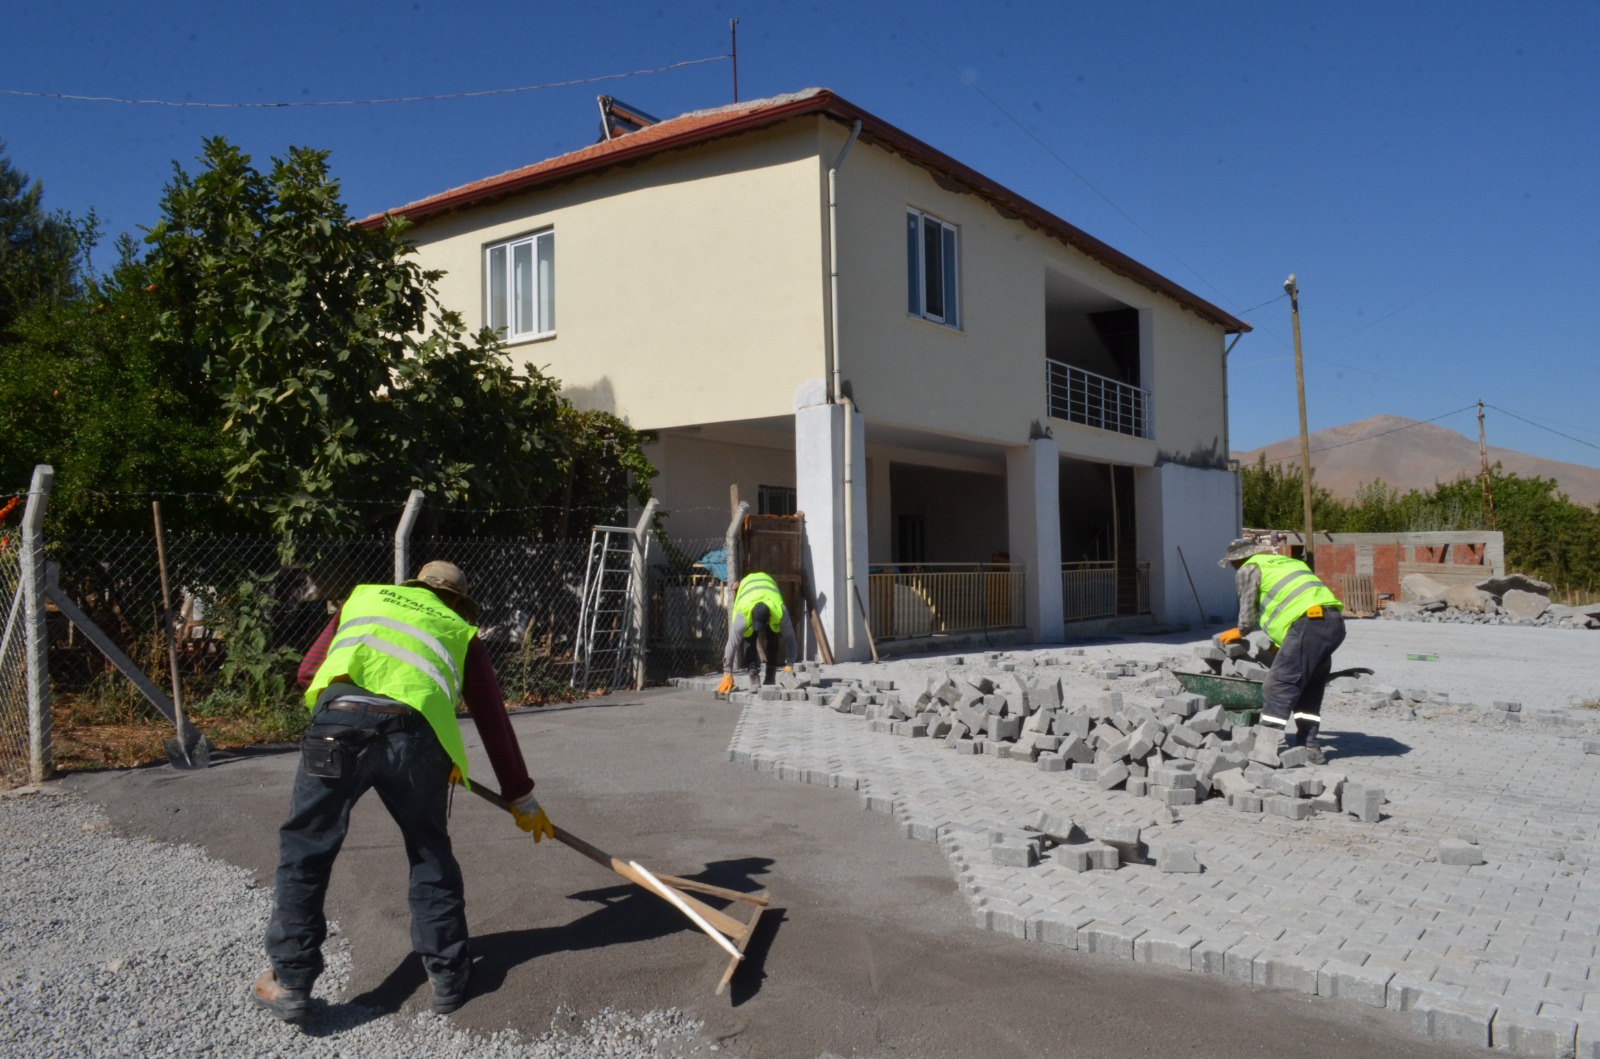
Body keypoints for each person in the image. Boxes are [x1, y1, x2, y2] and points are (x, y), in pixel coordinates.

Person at [251, 561, 553, 1025]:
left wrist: (354, 710)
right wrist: (520, 796)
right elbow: (492, 717)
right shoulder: (458, 628)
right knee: (429, 851)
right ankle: (449, 977)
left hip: (338, 729)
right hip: (416, 740)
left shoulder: (361, 599)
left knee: (306, 850)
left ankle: (291, 980)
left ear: (412, 587)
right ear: (455, 601)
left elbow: (309, 672)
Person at [1216, 538, 1346, 760]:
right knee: (1310, 686)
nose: (1235, 569)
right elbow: (1294, 600)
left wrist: (1241, 631)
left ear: (1238, 560)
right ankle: (1309, 746)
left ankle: (1266, 750)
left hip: (1308, 625)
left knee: (1277, 686)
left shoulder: (1249, 568)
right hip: (1333, 624)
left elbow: (1248, 608)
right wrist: (1282, 644)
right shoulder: (1289, 562)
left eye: (1233, 564)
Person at [716, 571, 798, 695]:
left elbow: (790, 638)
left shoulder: (779, 611)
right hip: (747, 588)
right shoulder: (742, 614)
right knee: (749, 638)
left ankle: (770, 675)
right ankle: (753, 675)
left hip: (768, 585)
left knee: (773, 637)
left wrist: (790, 666)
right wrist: (727, 673)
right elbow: (732, 643)